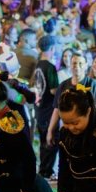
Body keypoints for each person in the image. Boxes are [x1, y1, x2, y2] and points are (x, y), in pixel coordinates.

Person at [32, 35, 59, 178]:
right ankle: (46, 172)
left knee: (44, 142)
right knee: (51, 140)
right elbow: (54, 90)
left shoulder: (38, 65)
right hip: (49, 110)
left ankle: (43, 171)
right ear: (52, 48)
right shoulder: (50, 67)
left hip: (39, 109)